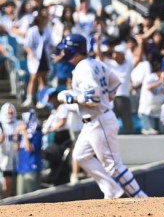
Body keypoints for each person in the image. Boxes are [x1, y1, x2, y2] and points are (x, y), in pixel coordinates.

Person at [56, 33, 147, 199]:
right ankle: (112, 190)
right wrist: (109, 97)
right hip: (93, 121)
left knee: (113, 166)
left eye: (66, 49)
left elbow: (93, 99)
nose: (63, 53)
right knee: (80, 156)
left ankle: (141, 198)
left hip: (99, 120)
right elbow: (115, 82)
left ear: (73, 51)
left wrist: (71, 97)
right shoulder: (94, 63)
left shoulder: (83, 68)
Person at [22, 8, 53, 108]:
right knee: (34, 77)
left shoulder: (47, 30)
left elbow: (51, 43)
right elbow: (27, 45)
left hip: (44, 57)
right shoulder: (32, 31)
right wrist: (31, 53)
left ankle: (42, 100)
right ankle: (29, 98)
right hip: (35, 58)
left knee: (43, 79)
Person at [15, 109, 43, 195]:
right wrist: (16, 133)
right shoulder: (21, 135)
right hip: (21, 168)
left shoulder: (37, 134)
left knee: (32, 196)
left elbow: (28, 148)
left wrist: (24, 133)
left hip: (32, 167)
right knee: (20, 196)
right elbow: (16, 148)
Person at [0, 103, 19, 198]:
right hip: (4, 157)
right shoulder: (1, 125)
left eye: (12, 112)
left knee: (16, 184)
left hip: (17, 156)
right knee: (6, 183)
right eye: (8, 112)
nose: (10, 114)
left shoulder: (18, 124)